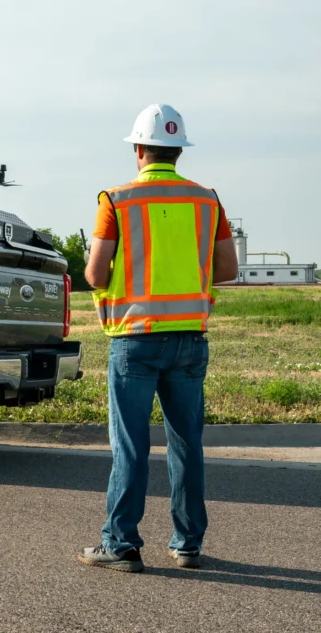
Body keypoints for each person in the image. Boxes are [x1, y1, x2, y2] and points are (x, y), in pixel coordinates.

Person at [77, 104, 239, 573]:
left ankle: (121, 543)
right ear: (177, 151)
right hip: (190, 337)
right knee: (187, 443)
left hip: (135, 336)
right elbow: (227, 270)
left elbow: (94, 273)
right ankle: (188, 544)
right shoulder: (208, 200)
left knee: (130, 445)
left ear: (139, 149)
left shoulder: (117, 200)